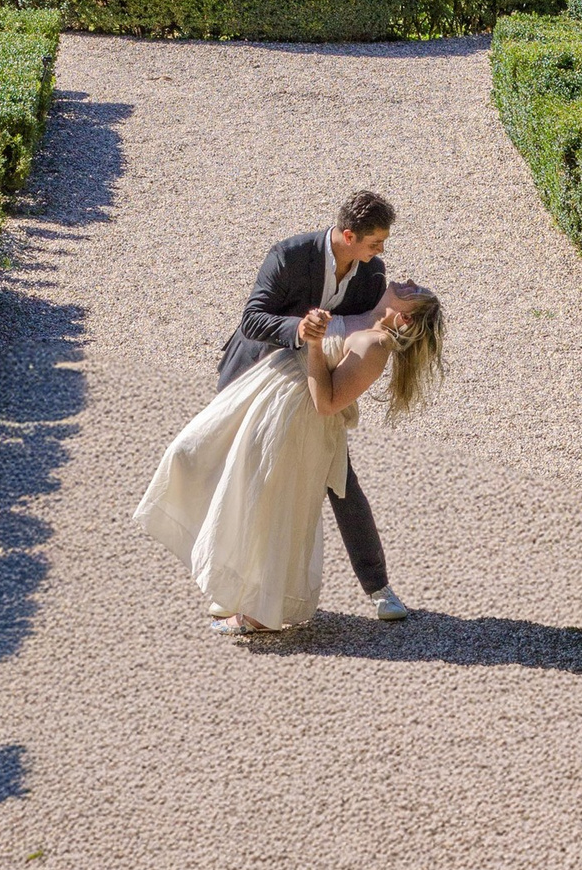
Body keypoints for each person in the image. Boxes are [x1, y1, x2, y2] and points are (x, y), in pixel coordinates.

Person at [137, 270, 445, 635]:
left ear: (405, 318)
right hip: (264, 397)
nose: (408, 281)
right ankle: (236, 587)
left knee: (271, 507)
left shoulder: (375, 344)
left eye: (414, 291)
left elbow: (327, 403)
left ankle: (259, 612)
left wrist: (315, 344)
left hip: (296, 421)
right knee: (195, 458)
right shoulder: (364, 301)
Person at [172, 194, 417, 624]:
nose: (381, 252)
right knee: (221, 469)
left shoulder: (372, 275)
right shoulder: (289, 255)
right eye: (375, 242)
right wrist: (299, 329)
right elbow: (252, 320)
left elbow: (361, 336)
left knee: (341, 485)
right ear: (348, 236)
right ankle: (231, 587)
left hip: (310, 394)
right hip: (253, 377)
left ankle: (379, 588)